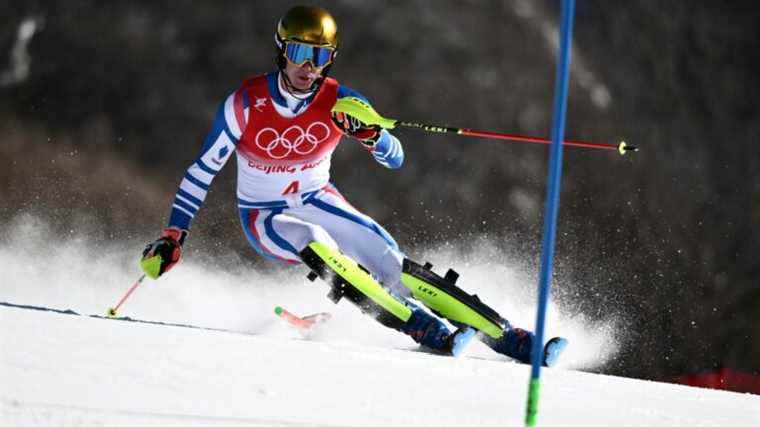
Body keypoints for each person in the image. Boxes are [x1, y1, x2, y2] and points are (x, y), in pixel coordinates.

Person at [141, 5, 566, 365]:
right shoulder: (246, 104)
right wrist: (173, 235)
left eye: (319, 56)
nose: (307, 67)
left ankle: (510, 337)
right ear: (281, 53)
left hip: (319, 198)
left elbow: (395, 157)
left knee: (388, 259)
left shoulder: (341, 101)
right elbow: (201, 172)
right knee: (314, 240)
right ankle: (420, 326)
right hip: (265, 215)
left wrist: (373, 136)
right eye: (299, 53)